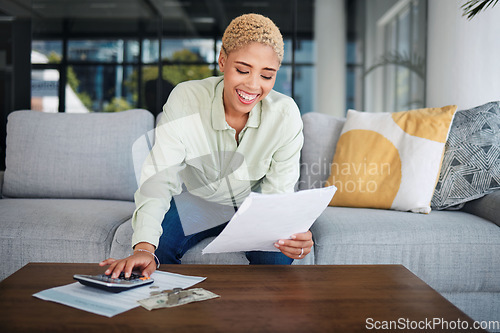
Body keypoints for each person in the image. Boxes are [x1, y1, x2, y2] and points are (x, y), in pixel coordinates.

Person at [100, 13, 314, 278]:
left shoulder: (285, 115)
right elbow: (160, 178)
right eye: (242, 70)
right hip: (198, 200)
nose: (253, 85)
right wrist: (144, 247)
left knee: (278, 257)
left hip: (253, 205)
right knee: (158, 250)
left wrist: (288, 234)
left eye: (267, 76)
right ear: (223, 60)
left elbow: (277, 193)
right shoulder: (186, 99)